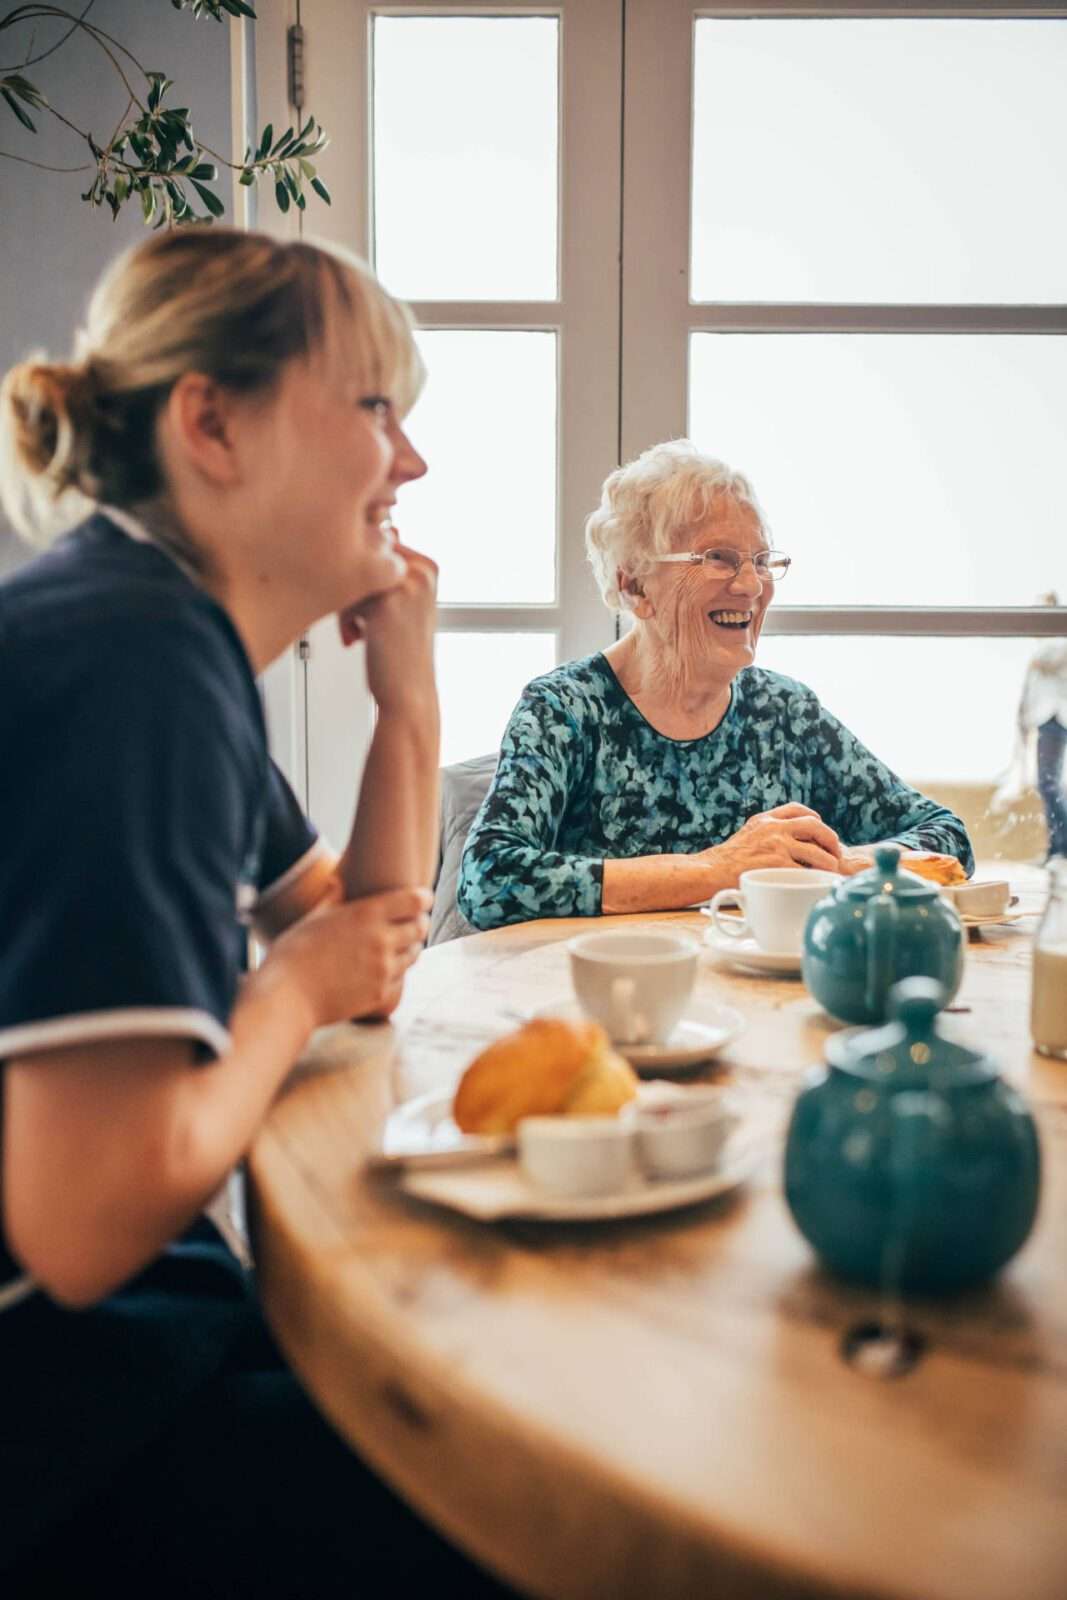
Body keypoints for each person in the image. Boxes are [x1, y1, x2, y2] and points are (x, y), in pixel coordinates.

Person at [0, 228, 509, 1597]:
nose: (411, 462)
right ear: (211, 425)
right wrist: (284, 992)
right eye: (375, 407)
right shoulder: (131, 668)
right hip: (54, 1431)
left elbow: (369, 944)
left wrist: (407, 702)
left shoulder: (154, 634)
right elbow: (84, 1223)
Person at [458, 440, 972, 929]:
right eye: (718, 558)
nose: (750, 585)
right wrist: (717, 869)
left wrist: (839, 862)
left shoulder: (786, 712)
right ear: (634, 587)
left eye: (761, 561)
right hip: (620, 986)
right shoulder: (566, 709)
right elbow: (489, 879)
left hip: (758, 985)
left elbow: (947, 838)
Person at [994, 593, 1067, 862]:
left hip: (1055, 719)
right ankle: (1056, 848)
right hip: (1045, 721)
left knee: (1049, 783)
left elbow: (1047, 658)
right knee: (1047, 783)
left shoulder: (1057, 641)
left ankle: (1061, 849)